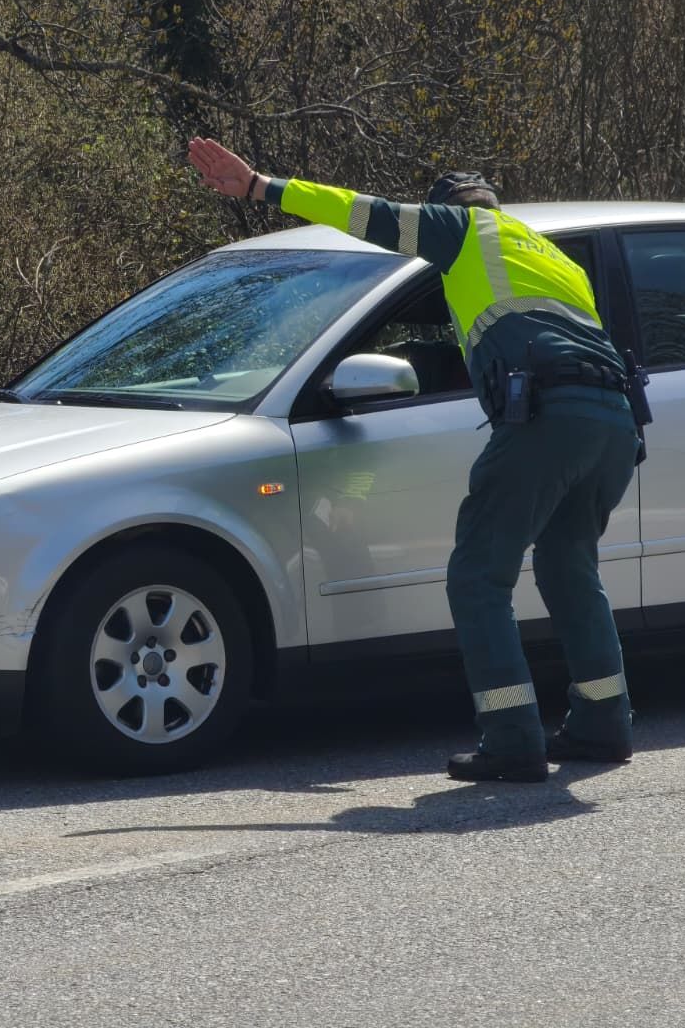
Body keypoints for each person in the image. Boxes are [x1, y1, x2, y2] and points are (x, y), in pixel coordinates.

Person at [187, 137, 643, 783]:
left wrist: (261, 185)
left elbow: (363, 211)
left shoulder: (461, 230)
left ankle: (512, 736)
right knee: (570, 567)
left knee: (477, 577)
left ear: (450, 210)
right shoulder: (547, 254)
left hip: (552, 417)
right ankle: (605, 722)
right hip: (615, 421)